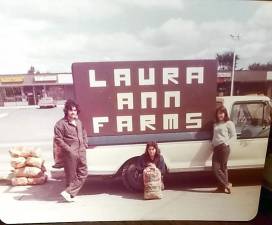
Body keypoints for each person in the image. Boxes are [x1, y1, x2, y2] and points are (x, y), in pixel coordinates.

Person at [54, 99, 88, 202]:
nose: (73, 112)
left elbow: (83, 132)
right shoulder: (60, 124)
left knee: (84, 172)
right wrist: (69, 150)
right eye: (70, 110)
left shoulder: (78, 122)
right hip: (70, 154)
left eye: (75, 110)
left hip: (81, 151)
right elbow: (58, 139)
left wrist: (85, 142)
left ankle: (68, 192)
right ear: (66, 111)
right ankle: (69, 196)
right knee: (71, 176)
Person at [212, 105, 237, 194]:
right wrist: (213, 144)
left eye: (222, 113)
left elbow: (234, 136)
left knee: (222, 168)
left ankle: (223, 186)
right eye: (219, 113)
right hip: (216, 148)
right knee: (216, 168)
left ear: (225, 113)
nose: (221, 115)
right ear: (217, 114)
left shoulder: (229, 123)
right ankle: (225, 186)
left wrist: (226, 143)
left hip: (223, 147)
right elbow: (215, 136)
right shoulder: (215, 124)